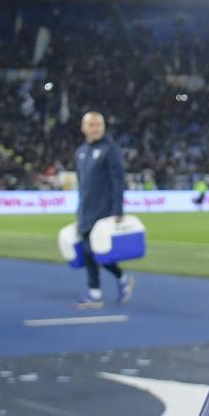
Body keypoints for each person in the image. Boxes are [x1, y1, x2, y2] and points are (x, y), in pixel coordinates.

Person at [74, 111, 134, 309]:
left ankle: (96, 293)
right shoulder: (81, 152)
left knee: (94, 252)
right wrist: (79, 212)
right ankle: (118, 281)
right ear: (84, 128)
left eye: (98, 124)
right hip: (86, 211)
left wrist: (118, 209)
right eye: (91, 125)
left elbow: (118, 181)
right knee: (87, 252)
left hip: (104, 211)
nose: (95, 128)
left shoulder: (110, 150)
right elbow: (83, 186)